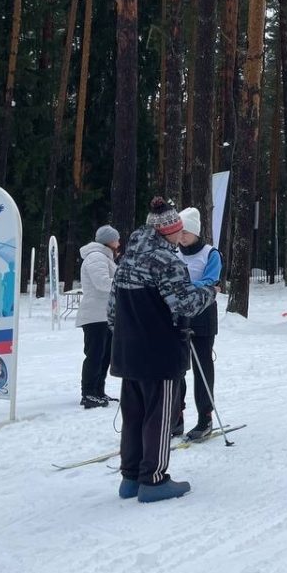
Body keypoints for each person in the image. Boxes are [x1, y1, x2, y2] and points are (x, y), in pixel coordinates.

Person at [108, 197, 215, 503]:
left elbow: (112, 307)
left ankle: (130, 478)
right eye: (178, 230)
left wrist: (124, 335)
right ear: (168, 231)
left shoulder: (128, 257)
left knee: (134, 415)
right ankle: (153, 480)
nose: (181, 235)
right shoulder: (167, 261)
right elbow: (186, 304)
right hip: (159, 351)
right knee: (159, 416)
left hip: (128, 349)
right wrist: (209, 292)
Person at [174, 207, 222, 441]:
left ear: (195, 232)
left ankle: (205, 418)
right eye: (179, 233)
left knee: (202, 367)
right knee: (176, 368)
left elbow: (210, 281)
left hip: (203, 314)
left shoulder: (210, 253)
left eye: (185, 232)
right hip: (178, 315)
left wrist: (185, 288)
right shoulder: (174, 253)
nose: (181, 237)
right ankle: (176, 417)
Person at [76, 225, 120, 408]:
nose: (119, 243)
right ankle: (88, 393)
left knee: (104, 355)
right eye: (116, 239)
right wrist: (123, 281)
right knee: (95, 355)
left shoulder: (104, 257)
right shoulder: (96, 257)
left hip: (104, 315)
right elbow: (102, 283)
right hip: (95, 315)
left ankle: (98, 391)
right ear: (109, 241)